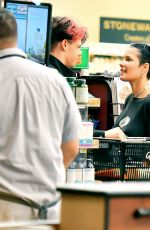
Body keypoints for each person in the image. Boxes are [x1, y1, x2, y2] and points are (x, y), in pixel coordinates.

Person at [0, 8, 82, 222]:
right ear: (16, 36)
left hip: (5, 208)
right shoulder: (55, 79)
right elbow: (72, 147)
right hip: (50, 209)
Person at [95, 43, 150, 139]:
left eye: (128, 59)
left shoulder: (148, 103)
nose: (121, 63)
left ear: (145, 67)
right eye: (123, 58)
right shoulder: (130, 99)